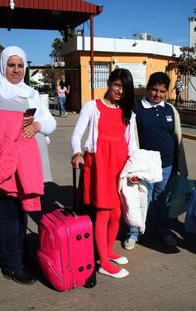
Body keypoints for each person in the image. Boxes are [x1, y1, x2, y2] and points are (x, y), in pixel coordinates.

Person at [0, 46, 56, 284]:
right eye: (11, 65)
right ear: (2, 66)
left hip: (27, 166)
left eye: (20, 65)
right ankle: (11, 264)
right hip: (3, 166)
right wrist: (13, 124)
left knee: (22, 214)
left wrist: (38, 126)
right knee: (8, 216)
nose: (16, 70)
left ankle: (22, 257)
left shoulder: (31, 93)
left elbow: (49, 122)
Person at [71, 68, 138, 279]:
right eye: (117, 85)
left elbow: (132, 144)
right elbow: (77, 134)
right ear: (109, 83)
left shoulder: (129, 113)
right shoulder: (92, 107)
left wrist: (133, 169)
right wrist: (77, 152)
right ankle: (103, 262)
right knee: (102, 213)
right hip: (99, 164)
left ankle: (108, 251)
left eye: (124, 88)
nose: (119, 91)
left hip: (119, 166)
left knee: (117, 214)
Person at [124, 72, 188, 249]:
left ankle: (163, 229)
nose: (157, 95)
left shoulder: (170, 110)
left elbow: (177, 137)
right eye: (154, 90)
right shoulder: (136, 109)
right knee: (138, 198)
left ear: (167, 91)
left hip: (166, 165)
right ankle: (134, 233)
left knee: (161, 200)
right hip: (143, 165)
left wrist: (180, 164)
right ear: (147, 88)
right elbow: (130, 137)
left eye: (162, 91)